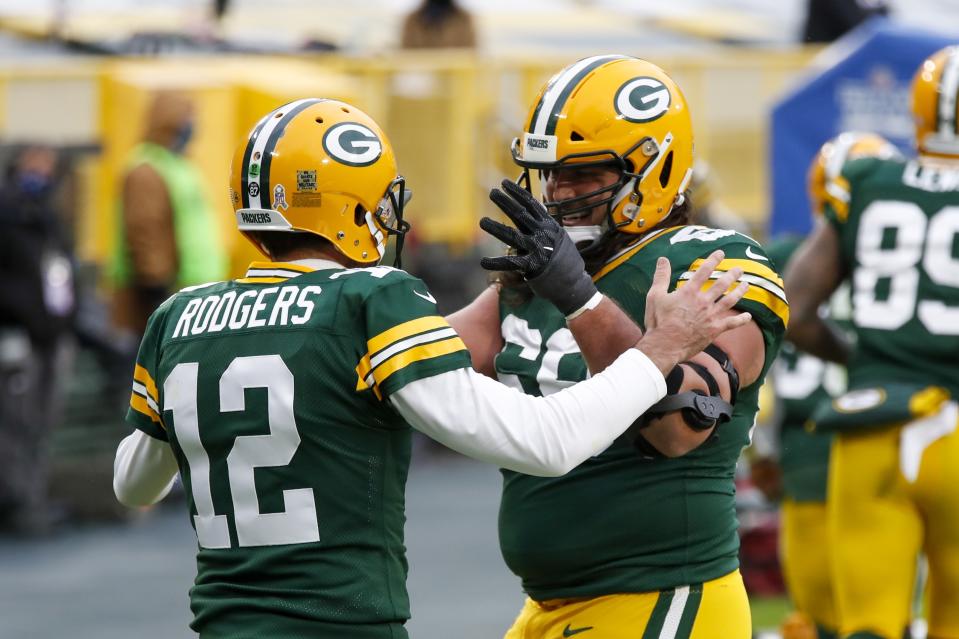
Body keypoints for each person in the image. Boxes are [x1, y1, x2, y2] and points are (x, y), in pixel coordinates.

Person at [112, 97, 751, 638]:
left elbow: (133, 485)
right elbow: (548, 441)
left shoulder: (180, 316)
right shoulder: (370, 301)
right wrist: (657, 352)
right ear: (354, 207)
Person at [448, 55, 787, 637]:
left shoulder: (714, 265)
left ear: (653, 171)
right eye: (550, 174)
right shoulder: (538, 277)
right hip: (545, 608)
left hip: (662, 595)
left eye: (581, 175)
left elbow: (680, 425)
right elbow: (424, 358)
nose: (558, 193)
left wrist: (579, 298)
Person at [785, 46, 959, 639]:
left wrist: (866, 360)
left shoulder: (868, 180)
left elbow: (796, 310)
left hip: (870, 426)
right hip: (955, 434)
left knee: (868, 626)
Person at [0, 145, 76, 534]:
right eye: (34, 166)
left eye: (47, 166)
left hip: (52, 337)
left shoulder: (49, 218)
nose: (41, 173)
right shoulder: (7, 214)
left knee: (42, 422)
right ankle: (17, 504)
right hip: (17, 336)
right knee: (15, 423)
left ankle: (33, 498)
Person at [111, 90, 227, 337]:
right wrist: (158, 287)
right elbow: (144, 230)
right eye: (186, 120)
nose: (192, 127)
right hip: (162, 297)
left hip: (190, 293)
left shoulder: (179, 164)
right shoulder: (146, 169)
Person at [399, 0, 477, 50]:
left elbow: (469, 56)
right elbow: (406, 56)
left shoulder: (464, 19)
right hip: (420, 74)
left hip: (455, 74)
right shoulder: (412, 20)